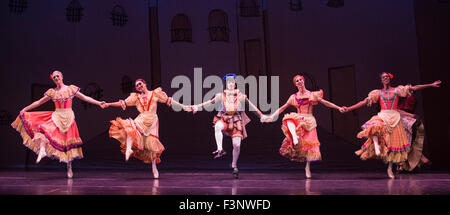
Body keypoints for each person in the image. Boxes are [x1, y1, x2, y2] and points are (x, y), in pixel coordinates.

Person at [343, 72, 440, 178]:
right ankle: (376, 146)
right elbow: (364, 102)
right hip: (384, 115)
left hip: (395, 117)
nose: (385, 78)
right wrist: (349, 108)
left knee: (393, 145)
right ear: (381, 80)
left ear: (390, 79)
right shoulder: (377, 93)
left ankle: (390, 169)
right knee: (373, 126)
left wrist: (430, 85)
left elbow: (414, 88)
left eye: (387, 77)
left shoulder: (397, 90)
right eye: (383, 77)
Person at [11, 70, 107, 178]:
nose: (56, 78)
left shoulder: (70, 89)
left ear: (62, 77)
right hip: (57, 116)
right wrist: (25, 108)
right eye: (54, 77)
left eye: (58, 76)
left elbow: (85, 97)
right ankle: (42, 150)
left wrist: (99, 103)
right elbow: (38, 102)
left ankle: (69, 167)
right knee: (44, 129)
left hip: (69, 117)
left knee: (68, 143)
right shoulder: (52, 92)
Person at [261, 75, 345, 179]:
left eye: (301, 79)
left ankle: (307, 167)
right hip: (299, 118)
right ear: (295, 84)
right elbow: (283, 108)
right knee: (288, 118)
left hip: (309, 120)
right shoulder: (293, 97)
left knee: (309, 145)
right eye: (297, 81)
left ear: (304, 81)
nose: (299, 81)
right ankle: (295, 137)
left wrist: (338, 108)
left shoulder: (312, 95)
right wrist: (271, 116)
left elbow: (325, 103)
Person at [105, 79, 188, 179]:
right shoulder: (136, 97)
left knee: (152, 143)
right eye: (137, 86)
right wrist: (109, 104)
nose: (139, 86)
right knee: (130, 127)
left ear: (145, 84)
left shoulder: (155, 94)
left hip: (152, 120)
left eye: (140, 84)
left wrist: (184, 106)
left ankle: (154, 167)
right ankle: (128, 149)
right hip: (142, 118)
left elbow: (168, 100)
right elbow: (122, 102)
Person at [189, 74, 264, 179]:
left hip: (236, 121)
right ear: (226, 84)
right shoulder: (221, 95)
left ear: (235, 84)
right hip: (224, 118)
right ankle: (220, 149)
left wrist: (261, 116)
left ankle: (234, 165)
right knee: (217, 126)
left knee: (237, 145)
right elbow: (209, 103)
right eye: (229, 82)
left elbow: (252, 106)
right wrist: (197, 106)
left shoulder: (241, 96)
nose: (231, 84)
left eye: (233, 82)